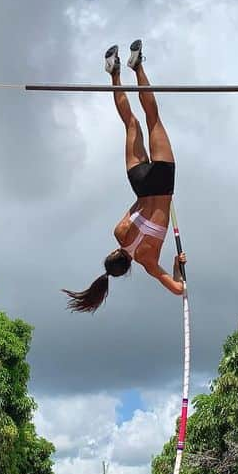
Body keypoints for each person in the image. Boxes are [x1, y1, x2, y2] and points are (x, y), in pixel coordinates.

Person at [62, 40, 186, 313]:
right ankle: (115, 72)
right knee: (132, 122)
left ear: (128, 269)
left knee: (154, 118)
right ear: (111, 255)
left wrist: (178, 266)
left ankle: (138, 65)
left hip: (163, 185)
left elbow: (179, 289)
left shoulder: (149, 262)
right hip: (141, 183)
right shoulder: (119, 233)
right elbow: (136, 208)